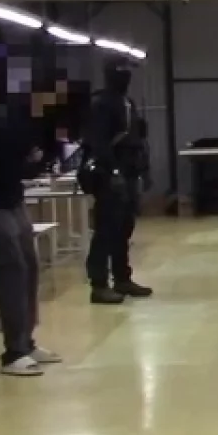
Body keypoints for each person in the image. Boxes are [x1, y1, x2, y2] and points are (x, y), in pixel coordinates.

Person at [0, 91, 61, 376]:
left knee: (29, 265)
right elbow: (14, 167)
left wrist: (36, 161)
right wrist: (32, 163)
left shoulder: (40, 127)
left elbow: (34, 165)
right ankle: (14, 352)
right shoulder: (10, 123)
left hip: (11, 198)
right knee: (10, 268)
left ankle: (25, 342)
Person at [84, 59, 152, 304]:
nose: (126, 78)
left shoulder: (127, 103)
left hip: (130, 171)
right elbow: (98, 143)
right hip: (108, 175)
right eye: (122, 73)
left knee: (124, 228)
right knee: (106, 229)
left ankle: (122, 278)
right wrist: (112, 171)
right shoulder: (101, 104)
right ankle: (99, 284)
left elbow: (138, 140)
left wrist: (144, 171)